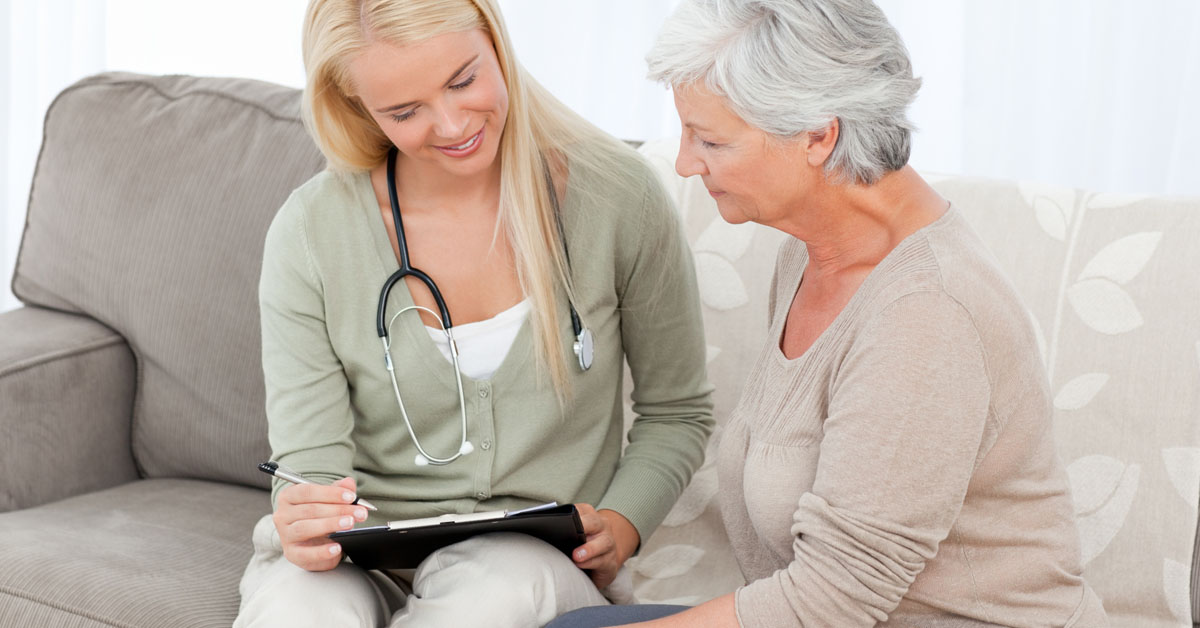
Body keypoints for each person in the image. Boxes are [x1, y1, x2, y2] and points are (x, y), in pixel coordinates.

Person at [549, 0, 1109, 627]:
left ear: (819, 135)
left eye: (710, 140)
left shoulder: (926, 314)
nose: (684, 163)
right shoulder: (812, 254)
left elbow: (835, 598)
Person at [233, 0, 714, 626]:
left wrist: (621, 526)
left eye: (463, 80)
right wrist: (303, 512)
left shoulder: (619, 196)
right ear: (358, 108)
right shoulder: (313, 229)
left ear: (495, 41)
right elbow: (309, 467)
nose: (453, 123)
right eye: (405, 112)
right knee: (297, 608)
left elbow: (677, 412)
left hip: (527, 564)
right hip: (360, 557)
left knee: (492, 591)